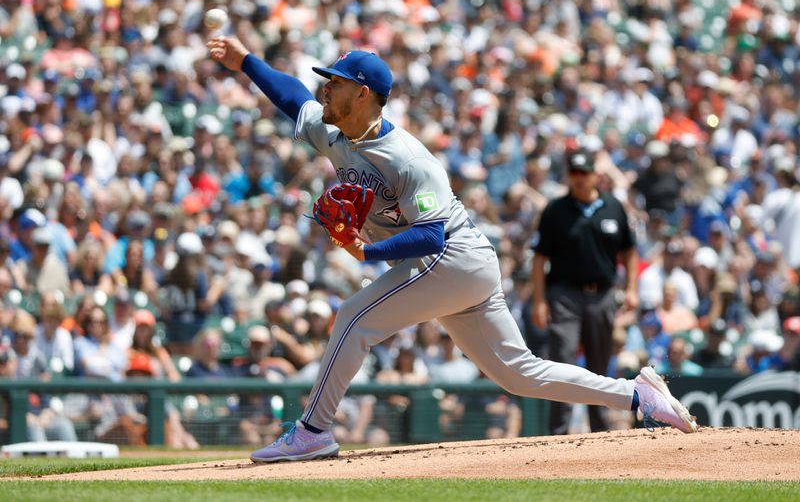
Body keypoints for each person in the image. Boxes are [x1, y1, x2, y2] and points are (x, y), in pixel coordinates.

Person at [207, 36, 697, 464]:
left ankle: (312, 431)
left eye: (334, 82)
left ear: (362, 94)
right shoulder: (336, 130)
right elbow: (292, 98)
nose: (325, 88)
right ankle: (638, 395)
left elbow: (432, 236)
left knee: (354, 318)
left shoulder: (408, 158)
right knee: (518, 374)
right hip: (463, 268)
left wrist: (365, 253)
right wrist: (247, 60)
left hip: (451, 257)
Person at [532, 149, 640, 434]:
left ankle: (599, 432)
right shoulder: (556, 209)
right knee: (562, 361)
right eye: (574, 173)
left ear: (596, 175)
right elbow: (539, 258)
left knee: (599, 364)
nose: (579, 179)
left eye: (584, 173)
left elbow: (629, 252)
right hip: (565, 295)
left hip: (603, 295)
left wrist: (631, 289)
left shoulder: (613, 207)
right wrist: (540, 301)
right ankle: (558, 432)